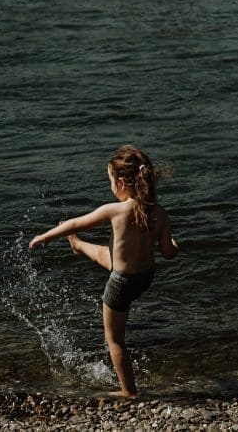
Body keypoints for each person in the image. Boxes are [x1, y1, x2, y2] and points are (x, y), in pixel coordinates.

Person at [29, 145, 179, 399]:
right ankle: (78, 245)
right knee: (109, 255)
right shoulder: (160, 212)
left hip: (121, 284)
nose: (111, 186)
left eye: (110, 180)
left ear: (121, 182)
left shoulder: (115, 210)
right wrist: (175, 245)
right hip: (144, 276)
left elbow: (76, 223)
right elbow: (167, 252)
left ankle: (128, 391)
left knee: (114, 340)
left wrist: (46, 235)